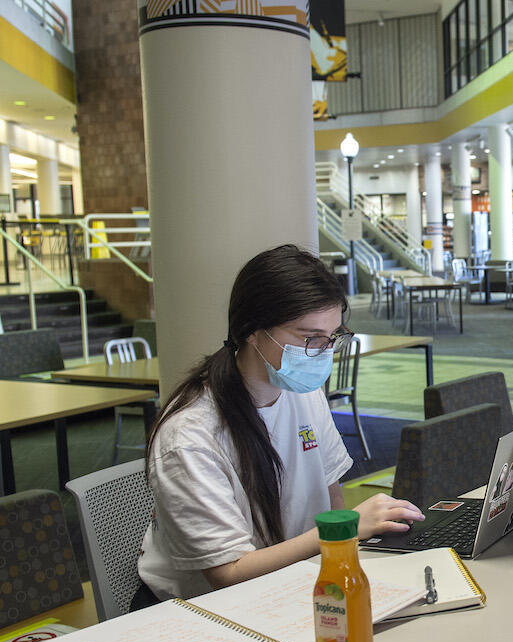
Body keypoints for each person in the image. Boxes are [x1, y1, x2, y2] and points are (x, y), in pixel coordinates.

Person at [135, 245, 423, 605]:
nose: (323, 351)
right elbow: (228, 573)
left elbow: (329, 488)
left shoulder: (300, 390)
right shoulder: (189, 436)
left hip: (291, 583)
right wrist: (342, 531)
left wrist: (340, 553)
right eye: (309, 338)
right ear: (253, 331)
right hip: (203, 611)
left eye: (333, 337)